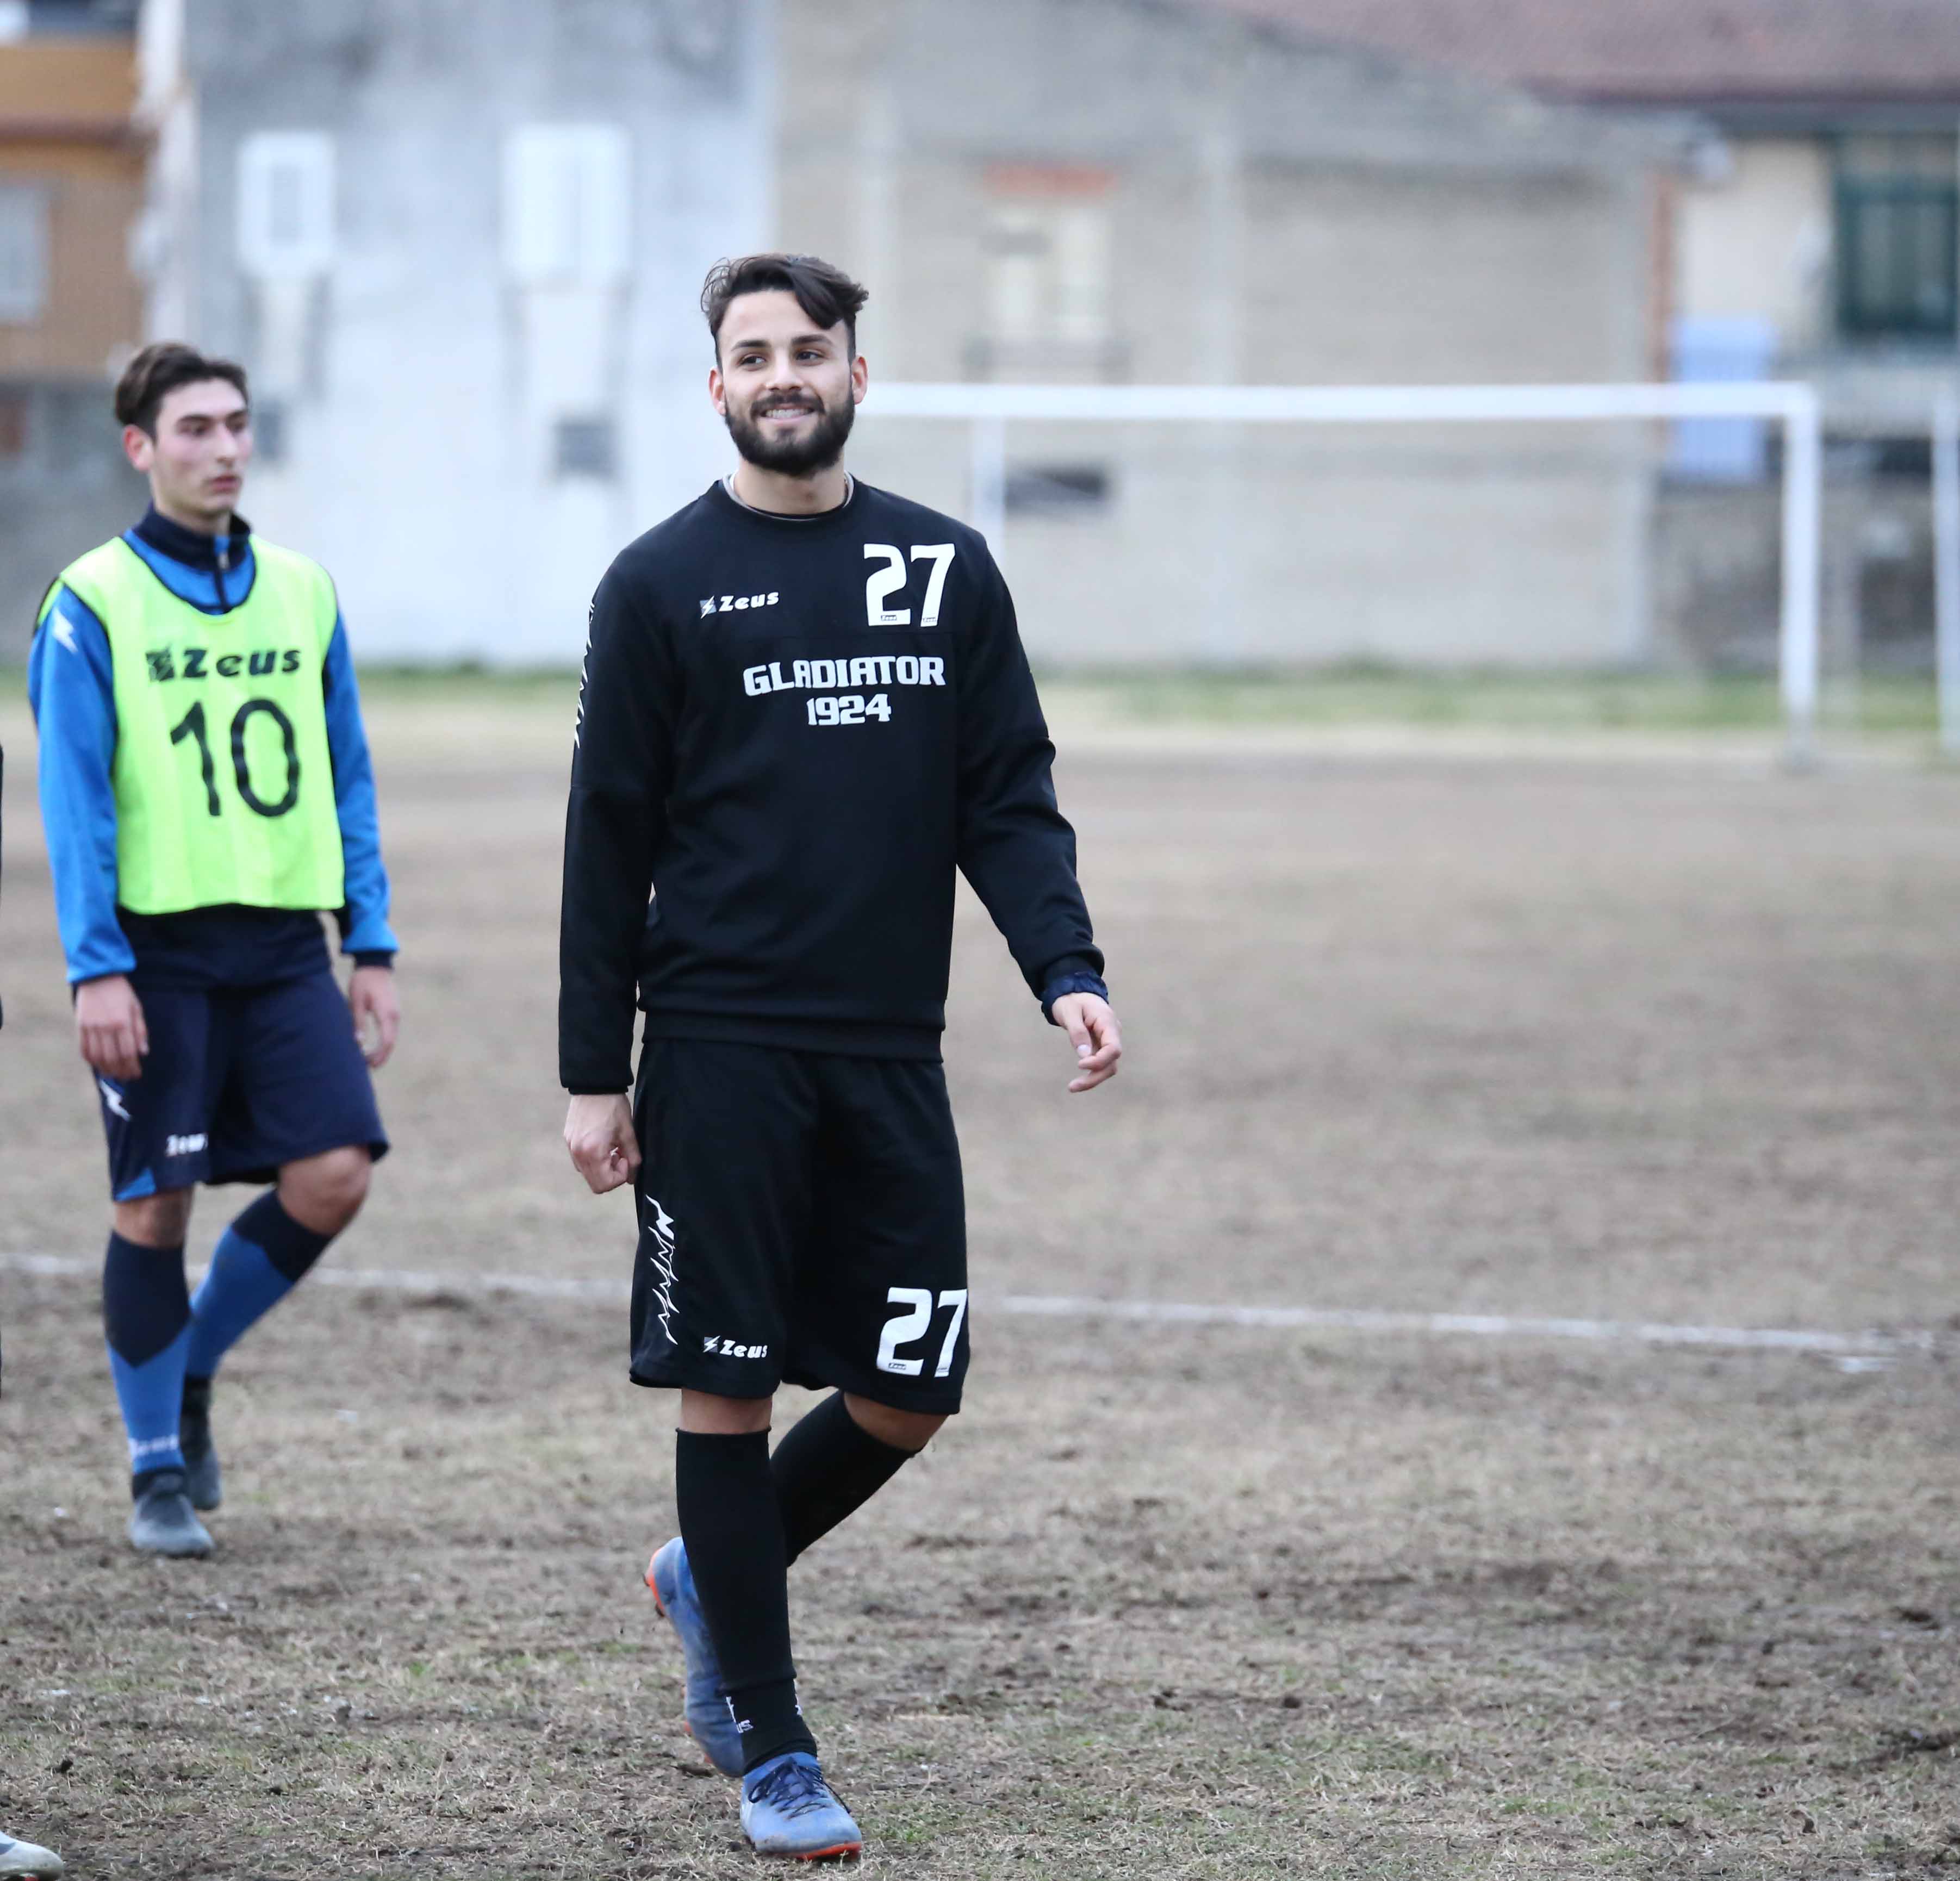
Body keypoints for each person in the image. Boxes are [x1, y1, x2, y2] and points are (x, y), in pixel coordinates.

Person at [559, 253, 1121, 1859]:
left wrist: (1061, 965)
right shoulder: (656, 584)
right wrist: (592, 1070)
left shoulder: (942, 570)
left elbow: (1003, 791)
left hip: (888, 1048)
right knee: (725, 1389)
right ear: (716, 387)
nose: (782, 375)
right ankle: (774, 1745)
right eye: (753, 355)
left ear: (856, 374)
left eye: (809, 349)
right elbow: (607, 844)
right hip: (720, 1050)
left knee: (909, 1384)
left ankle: (700, 1576)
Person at [28, 342, 399, 1559]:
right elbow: (74, 805)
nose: (224, 447)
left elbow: (347, 773)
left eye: (237, 423)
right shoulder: (89, 603)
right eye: (194, 428)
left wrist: (372, 942)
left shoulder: (304, 590)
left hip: (285, 949)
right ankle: (154, 1470)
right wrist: (96, 966)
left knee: (335, 1169)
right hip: (155, 953)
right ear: (142, 448)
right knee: (155, 1204)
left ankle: (187, 1364)